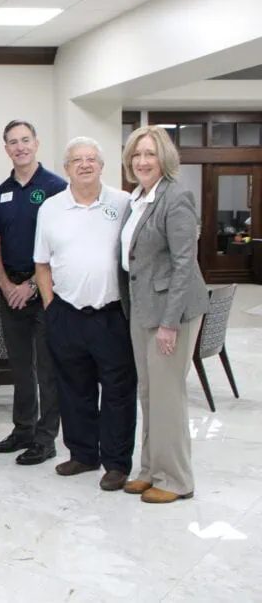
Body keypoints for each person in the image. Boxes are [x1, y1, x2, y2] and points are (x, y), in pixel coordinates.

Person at [33, 137, 137, 492]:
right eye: (76, 160)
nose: (84, 165)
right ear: (66, 169)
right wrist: (50, 307)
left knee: (118, 392)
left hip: (112, 316)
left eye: (91, 158)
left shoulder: (124, 203)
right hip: (66, 314)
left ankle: (117, 463)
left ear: (102, 165)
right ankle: (83, 454)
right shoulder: (50, 208)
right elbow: (41, 263)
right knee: (73, 389)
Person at [120, 126, 209, 504]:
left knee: (167, 395)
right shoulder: (137, 198)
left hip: (171, 313)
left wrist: (170, 324)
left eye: (150, 154)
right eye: (137, 154)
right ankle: (150, 470)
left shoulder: (177, 197)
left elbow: (184, 264)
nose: (142, 161)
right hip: (142, 310)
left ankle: (176, 479)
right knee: (148, 392)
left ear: (165, 159)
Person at [0, 120, 67, 466]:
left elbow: (63, 245)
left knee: (47, 368)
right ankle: (23, 429)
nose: (19, 147)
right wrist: (5, 285)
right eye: (12, 142)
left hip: (46, 291)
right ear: (6, 148)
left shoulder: (56, 187)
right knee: (21, 367)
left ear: (36, 143)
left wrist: (31, 285)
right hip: (10, 291)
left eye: (25, 140)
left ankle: (46, 438)